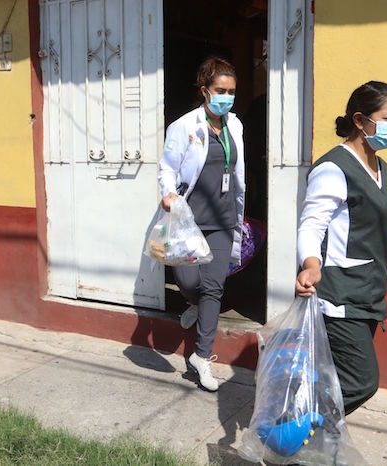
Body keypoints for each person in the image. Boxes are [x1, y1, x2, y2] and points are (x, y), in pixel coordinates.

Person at [296, 81, 387, 415]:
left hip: (368, 295)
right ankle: (295, 428)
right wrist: (311, 264)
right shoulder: (334, 168)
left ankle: (315, 436)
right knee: (361, 382)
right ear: (360, 120)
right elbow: (311, 224)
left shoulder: (381, 169)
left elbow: (383, 234)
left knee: (335, 378)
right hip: (339, 296)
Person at [158, 57, 246, 391]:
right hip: (189, 220)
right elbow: (167, 167)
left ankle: (202, 355)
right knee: (189, 282)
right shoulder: (184, 126)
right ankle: (196, 304)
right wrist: (168, 193)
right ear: (205, 90)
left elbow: (236, 170)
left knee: (214, 287)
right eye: (220, 90)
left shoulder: (235, 125)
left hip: (223, 218)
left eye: (231, 91)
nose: (227, 97)